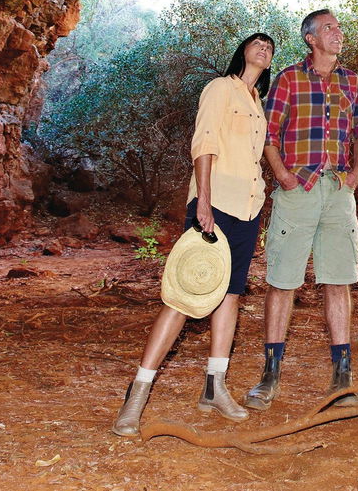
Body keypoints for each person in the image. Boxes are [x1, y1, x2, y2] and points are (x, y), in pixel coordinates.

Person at [112, 32, 275, 436]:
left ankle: (215, 387)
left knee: (230, 295)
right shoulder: (220, 88)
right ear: (242, 51)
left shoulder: (260, 104)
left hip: (249, 207)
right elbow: (204, 142)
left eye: (270, 47)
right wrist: (203, 199)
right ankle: (137, 395)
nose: (264, 48)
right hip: (215, 203)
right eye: (256, 43)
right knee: (185, 294)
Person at [245, 9, 358, 409]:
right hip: (297, 191)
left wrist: (354, 175)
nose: (338, 33)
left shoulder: (352, 81)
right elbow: (268, 134)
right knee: (283, 281)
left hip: (337, 192)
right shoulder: (287, 79)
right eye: (329, 29)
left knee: (338, 280)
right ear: (310, 39)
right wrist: (283, 175)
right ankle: (270, 375)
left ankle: (342, 377)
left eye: (339, 27)